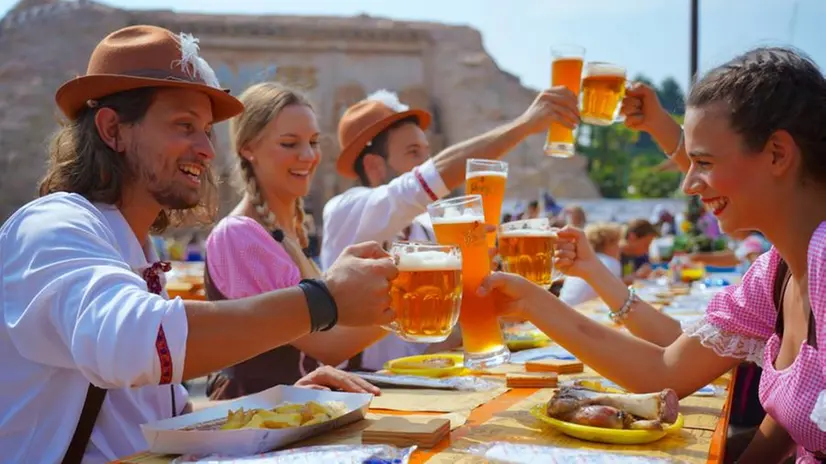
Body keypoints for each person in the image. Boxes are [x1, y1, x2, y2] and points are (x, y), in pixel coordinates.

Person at [0, 25, 397, 463]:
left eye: (207, 130)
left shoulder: (134, 250)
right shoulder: (52, 226)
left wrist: (280, 410)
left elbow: (155, 430)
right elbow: (139, 344)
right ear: (113, 129)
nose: (206, 149)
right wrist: (324, 301)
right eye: (184, 125)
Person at [478, 47, 826, 463]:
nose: (689, 184)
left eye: (703, 162)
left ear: (777, 154)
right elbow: (666, 370)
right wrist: (531, 300)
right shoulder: (778, 270)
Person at [321, 87, 579, 370]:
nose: (426, 163)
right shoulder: (347, 209)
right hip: (365, 387)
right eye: (413, 152)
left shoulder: (427, 229)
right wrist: (525, 125)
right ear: (373, 166)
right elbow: (424, 181)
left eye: (427, 153)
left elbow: (430, 342)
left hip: (422, 381)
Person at [202, 82, 391, 398]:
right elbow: (329, 345)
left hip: (299, 416)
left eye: (314, 142)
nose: (308, 156)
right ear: (248, 148)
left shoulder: (284, 230)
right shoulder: (240, 236)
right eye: (289, 144)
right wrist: (413, 297)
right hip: (260, 426)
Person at [559, 223, 623, 307]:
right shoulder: (611, 262)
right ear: (608, 244)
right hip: (581, 313)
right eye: (616, 243)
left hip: (564, 308)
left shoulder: (581, 261)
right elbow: (618, 298)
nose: (619, 248)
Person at [620, 218, 659, 283]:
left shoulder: (640, 256)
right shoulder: (613, 256)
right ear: (632, 237)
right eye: (645, 244)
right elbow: (607, 284)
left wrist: (651, 274)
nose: (647, 250)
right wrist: (636, 276)